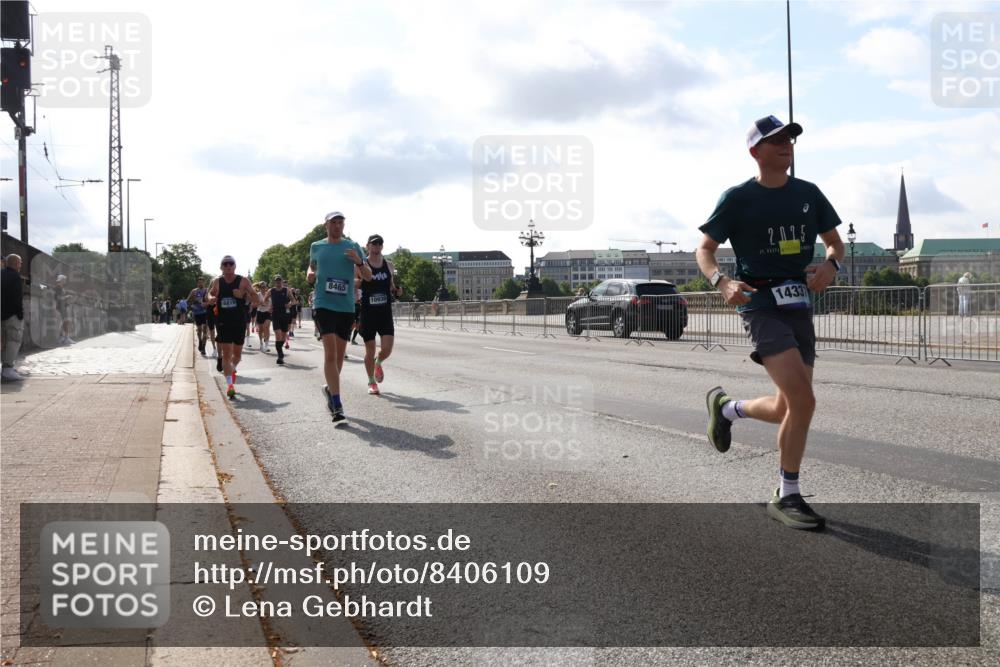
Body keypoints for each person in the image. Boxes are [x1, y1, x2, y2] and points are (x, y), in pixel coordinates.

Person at [696, 115, 844, 531]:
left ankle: (727, 409)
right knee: (805, 401)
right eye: (775, 140)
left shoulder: (808, 194)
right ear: (755, 151)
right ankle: (788, 493)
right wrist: (721, 281)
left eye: (790, 139)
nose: (786, 145)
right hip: (760, 303)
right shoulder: (738, 198)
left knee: (787, 407)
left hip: (798, 302)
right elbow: (704, 249)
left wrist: (831, 265)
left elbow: (835, 241)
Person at [307, 211, 372, 421]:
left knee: (339, 358)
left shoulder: (352, 247)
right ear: (326, 225)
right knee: (330, 354)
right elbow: (313, 265)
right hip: (323, 304)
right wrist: (310, 273)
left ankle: (329, 389)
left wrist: (359, 263)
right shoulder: (316, 246)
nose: (337, 226)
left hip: (345, 306)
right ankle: (337, 404)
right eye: (333, 222)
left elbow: (368, 276)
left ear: (344, 224)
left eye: (340, 222)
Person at [209, 255, 260, 399]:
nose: (228, 266)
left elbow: (256, 299)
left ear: (235, 266)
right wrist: (210, 298)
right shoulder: (217, 282)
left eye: (231, 264)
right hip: (223, 322)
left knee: (237, 355)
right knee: (226, 354)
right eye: (225, 264)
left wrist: (243, 295)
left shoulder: (243, 281)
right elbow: (209, 294)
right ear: (221, 268)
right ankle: (230, 385)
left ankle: (232, 369)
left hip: (239, 322)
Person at [357, 234, 403, 395]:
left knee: (387, 349)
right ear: (367, 246)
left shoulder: (389, 265)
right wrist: (357, 282)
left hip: (385, 312)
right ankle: (371, 382)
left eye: (379, 243)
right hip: (368, 313)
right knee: (369, 350)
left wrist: (397, 292)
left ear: (382, 246)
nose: (377, 246)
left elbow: (391, 285)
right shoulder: (362, 265)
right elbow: (355, 283)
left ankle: (379, 361)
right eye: (374, 243)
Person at [1, 254, 25, 381]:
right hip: (12, 315)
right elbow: (17, 298)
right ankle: (8, 368)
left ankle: (6, 368)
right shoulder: (15, 276)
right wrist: (20, 315)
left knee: (3, 342)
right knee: (13, 341)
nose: (21, 265)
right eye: (20, 263)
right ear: (15, 263)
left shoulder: (1, 274)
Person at [268, 275, 293, 365]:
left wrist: (289, 304)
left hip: (284, 315)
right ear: (275, 282)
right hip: (275, 315)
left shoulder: (286, 290)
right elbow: (264, 300)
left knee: (283, 336)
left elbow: (293, 301)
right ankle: (280, 356)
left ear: (282, 281)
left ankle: (280, 351)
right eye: (276, 281)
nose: (278, 282)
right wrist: (269, 307)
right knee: (278, 335)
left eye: (279, 280)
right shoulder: (271, 291)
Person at [188, 278, 210, 356]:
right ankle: (200, 341)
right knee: (199, 330)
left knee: (205, 330)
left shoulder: (207, 291)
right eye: (199, 282)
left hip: (205, 313)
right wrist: (193, 301)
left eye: (202, 282)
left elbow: (210, 301)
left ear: (204, 283)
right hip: (197, 313)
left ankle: (203, 347)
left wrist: (206, 304)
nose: (200, 284)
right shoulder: (194, 291)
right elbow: (188, 301)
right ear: (197, 283)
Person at [54, 275, 74, 345]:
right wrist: (67, 297)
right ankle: (63, 338)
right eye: (64, 280)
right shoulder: (57, 288)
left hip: (63, 307)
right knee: (62, 324)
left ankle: (65, 338)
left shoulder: (62, 288)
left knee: (65, 323)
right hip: (60, 308)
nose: (65, 281)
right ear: (62, 280)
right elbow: (58, 298)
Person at [255, 281, 272, 351]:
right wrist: (260, 304)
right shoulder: (258, 295)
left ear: (266, 287)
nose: (263, 288)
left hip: (267, 313)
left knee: (266, 327)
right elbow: (255, 304)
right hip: (260, 312)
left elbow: (273, 302)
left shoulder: (269, 294)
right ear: (260, 288)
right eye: (262, 287)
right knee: (261, 330)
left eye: (265, 287)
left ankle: (266, 345)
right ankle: (261, 343)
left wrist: (271, 308)